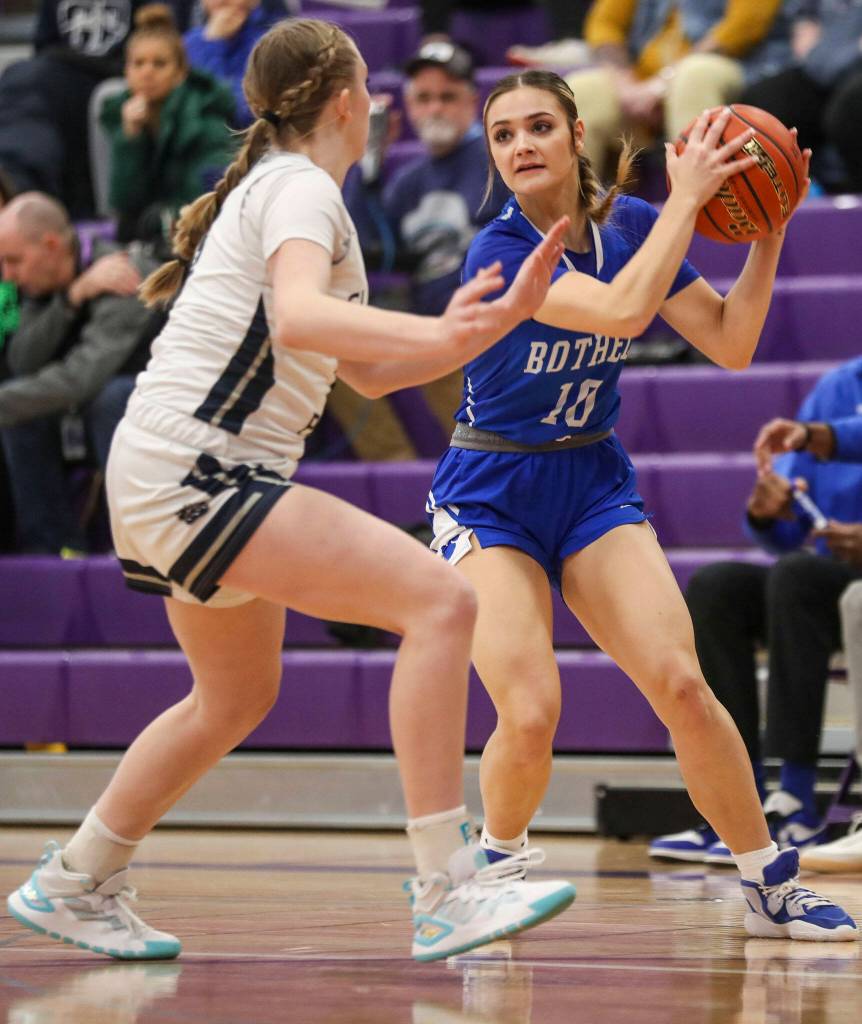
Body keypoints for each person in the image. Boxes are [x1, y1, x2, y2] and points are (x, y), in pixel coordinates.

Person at [5, 18, 578, 964]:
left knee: (234, 695)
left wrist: (476, 327)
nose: (382, 107)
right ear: (348, 101)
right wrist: (451, 330)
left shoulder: (293, 192)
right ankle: (447, 884)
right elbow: (303, 315)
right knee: (441, 601)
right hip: (200, 465)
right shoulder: (302, 187)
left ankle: (76, 876)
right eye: (372, 91)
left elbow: (363, 374)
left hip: (161, 468)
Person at [425, 66, 857, 941]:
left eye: (538, 126)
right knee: (532, 707)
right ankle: (491, 870)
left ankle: (767, 880)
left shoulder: (627, 227)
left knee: (684, 686)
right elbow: (622, 313)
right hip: (492, 492)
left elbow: (733, 344)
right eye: (503, 135)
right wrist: (689, 200)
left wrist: (767, 232)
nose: (520, 147)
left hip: (589, 482)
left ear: (577, 135)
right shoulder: (501, 253)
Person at [650, 359, 862, 864]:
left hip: (825, 587)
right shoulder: (840, 385)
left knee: (797, 577)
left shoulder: (828, 421)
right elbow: (787, 528)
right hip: (818, 584)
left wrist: (820, 436)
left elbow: (829, 438)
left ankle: (797, 799)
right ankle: (735, 805)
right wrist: (767, 510)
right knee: (718, 586)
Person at [340, 39, 511, 459]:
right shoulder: (406, 180)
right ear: (409, 106)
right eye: (424, 98)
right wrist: (368, 166)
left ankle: (489, 465)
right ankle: (400, 476)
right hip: (428, 326)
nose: (435, 109)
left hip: (487, 324)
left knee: (450, 350)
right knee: (329, 356)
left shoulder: (499, 162)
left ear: (473, 101)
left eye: (448, 97)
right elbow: (365, 247)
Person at [0, 192, 161, 554]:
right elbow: (21, 361)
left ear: (51, 245)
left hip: (161, 413)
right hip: (84, 411)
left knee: (112, 398)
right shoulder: (41, 285)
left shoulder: (125, 271)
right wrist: (70, 299)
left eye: (13, 261)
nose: (7, 276)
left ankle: (139, 548)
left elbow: (82, 379)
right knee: (20, 414)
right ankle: (55, 550)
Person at [564, 0, 796, 181]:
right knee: (582, 88)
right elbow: (604, 23)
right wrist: (625, 83)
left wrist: (663, 84)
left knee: (693, 75)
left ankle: (700, 209)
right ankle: (572, 224)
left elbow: (745, 25)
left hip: (740, 66)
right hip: (645, 81)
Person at [0, 0, 191, 218]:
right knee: (23, 80)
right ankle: (14, 192)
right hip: (63, 74)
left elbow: (167, 45)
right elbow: (43, 45)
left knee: (108, 98)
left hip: (123, 76)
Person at [99, 4, 236, 246]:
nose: (147, 73)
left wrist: (165, 217)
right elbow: (123, 203)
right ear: (126, 71)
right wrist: (130, 139)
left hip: (196, 235)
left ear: (181, 72)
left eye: (159, 64)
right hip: (143, 235)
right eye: (138, 64)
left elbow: (209, 197)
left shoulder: (204, 117)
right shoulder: (118, 116)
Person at [740, 0, 862, 192]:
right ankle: (787, 199)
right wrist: (804, 25)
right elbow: (804, 17)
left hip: (852, 68)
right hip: (823, 62)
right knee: (763, 103)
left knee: (850, 108)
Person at [801, 577, 862, 873]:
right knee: (719, 585)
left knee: (859, 597)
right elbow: (787, 542)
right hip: (839, 568)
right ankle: (793, 803)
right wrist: (764, 527)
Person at [183, 0, 285, 128]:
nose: (221, 1)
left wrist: (214, 44)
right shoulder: (190, 41)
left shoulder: (269, 43)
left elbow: (241, 112)